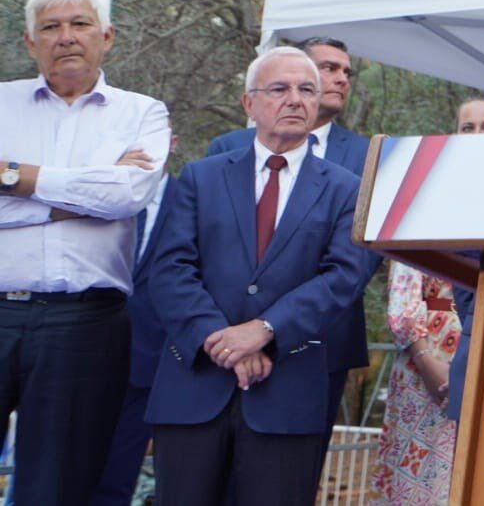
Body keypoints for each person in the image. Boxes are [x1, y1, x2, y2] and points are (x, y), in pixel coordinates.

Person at [147, 47, 367, 505]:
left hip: (287, 396)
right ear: (249, 104)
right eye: (279, 89)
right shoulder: (201, 177)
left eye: (306, 89)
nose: (295, 99)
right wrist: (223, 340)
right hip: (195, 388)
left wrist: (266, 331)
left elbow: (343, 277)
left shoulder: (347, 188)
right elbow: (170, 268)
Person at [0, 0, 169, 506]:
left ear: (108, 36)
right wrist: (86, 189)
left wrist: (12, 177)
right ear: (31, 42)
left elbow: (126, 196)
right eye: (50, 27)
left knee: (54, 488)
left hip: (85, 323)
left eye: (80, 25)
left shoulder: (143, 113)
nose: (66, 36)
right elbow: (106, 191)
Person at [207, 36, 376, 441]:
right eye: (328, 68)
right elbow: (204, 251)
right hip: (224, 345)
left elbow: (363, 259)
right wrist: (237, 338)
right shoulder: (227, 148)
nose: (340, 79)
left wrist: (271, 328)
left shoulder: (370, 156)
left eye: (345, 71)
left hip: (322, 344)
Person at [370, 97, 484, 504]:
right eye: (469, 128)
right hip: (422, 368)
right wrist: (431, 365)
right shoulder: (428, 193)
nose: (478, 136)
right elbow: (404, 287)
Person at [92, 139, 179, 506]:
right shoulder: (97, 190)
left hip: (147, 362)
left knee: (117, 479)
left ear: (172, 143)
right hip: (77, 352)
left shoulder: (193, 198)